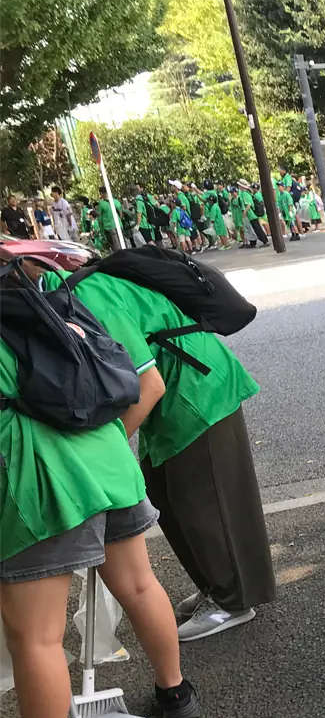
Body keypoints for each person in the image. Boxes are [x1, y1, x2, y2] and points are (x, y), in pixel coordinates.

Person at [0, 274, 201, 718]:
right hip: (107, 458)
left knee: (35, 635)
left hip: (44, 481)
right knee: (139, 584)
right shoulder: (42, 305)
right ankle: (175, 693)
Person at [43, 268, 276, 641]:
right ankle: (216, 586)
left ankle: (234, 601)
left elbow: (150, 384)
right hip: (173, 401)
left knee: (206, 502)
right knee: (166, 497)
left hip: (198, 393)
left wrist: (109, 448)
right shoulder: (63, 297)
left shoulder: (89, 296)